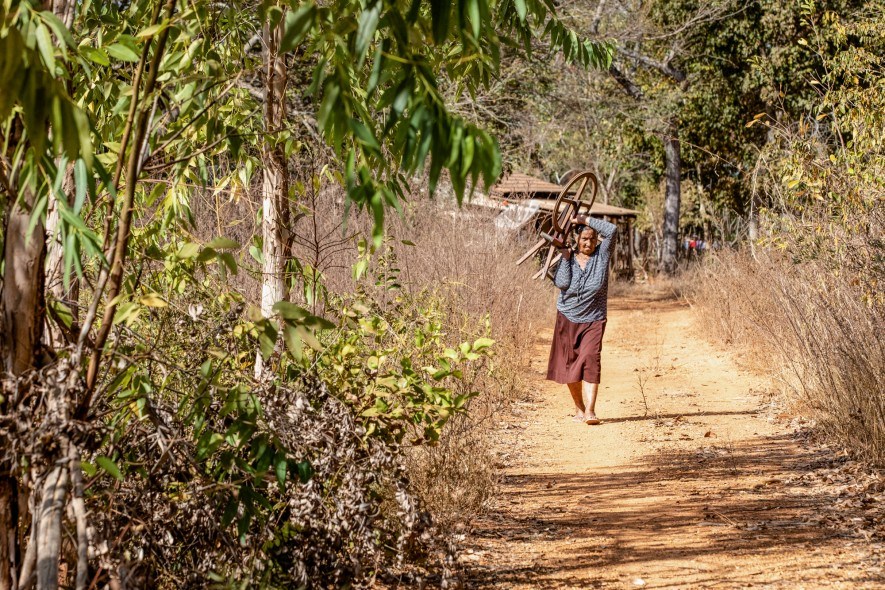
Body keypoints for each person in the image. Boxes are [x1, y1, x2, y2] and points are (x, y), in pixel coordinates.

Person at [546, 214, 617, 425]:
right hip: (567, 317)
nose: (588, 243)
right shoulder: (568, 258)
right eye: (584, 239)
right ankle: (579, 408)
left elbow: (611, 230)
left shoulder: (602, 256)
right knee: (570, 365)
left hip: (594, 319)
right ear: (577, 240)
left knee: (590, 359)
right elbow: (562, 283)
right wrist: (566, 257)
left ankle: (591, 411)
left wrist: (583, 220)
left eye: (592, 239)